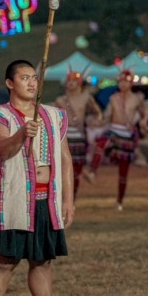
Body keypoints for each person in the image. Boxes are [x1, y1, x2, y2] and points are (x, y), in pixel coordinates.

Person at [0, 60, 74, 296]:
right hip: (13, 199)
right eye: (24, 78)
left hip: (48, 199)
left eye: (34, 77)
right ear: (10, 83)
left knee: (42, 260)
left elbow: (66, 160)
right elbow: (1, 150)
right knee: (4, 261)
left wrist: (69, 200)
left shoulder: (55, 115)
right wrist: (21, 134)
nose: (32, 82)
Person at [88, 70, 145, 210]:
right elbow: (107, 115)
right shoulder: (114, 98)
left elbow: (142, 116)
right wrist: (99, 122)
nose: (122, 84)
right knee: (101, 143)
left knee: (123, 171)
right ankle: (92, 171)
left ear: (130, 83)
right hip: (113, 130)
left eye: (125, 81)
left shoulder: (137, 99)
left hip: (127, 134)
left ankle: (120, 201)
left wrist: (143, 124)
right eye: (120, 81)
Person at [54, 70, 103, 199]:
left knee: (76, 171)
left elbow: (97, 112)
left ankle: (72, 200)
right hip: (64, 137)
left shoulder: (86, 97)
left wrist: (95, 120)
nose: (70, 83)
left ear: (79, 83)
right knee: (61, 169)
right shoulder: (60, 100)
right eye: (69, 81)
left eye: (73, 81)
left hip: (79, 137)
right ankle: (60, 199)